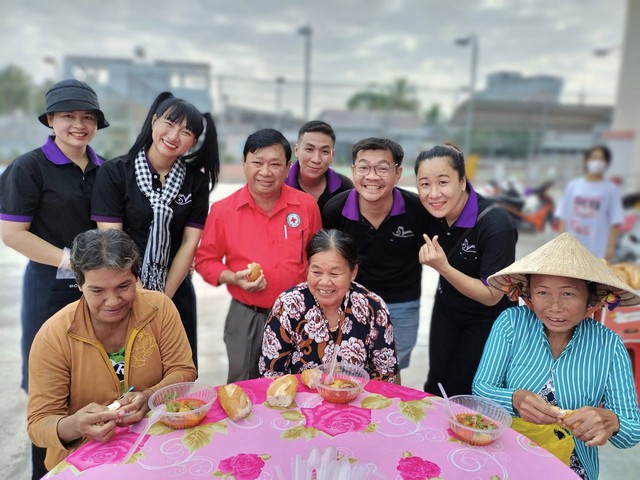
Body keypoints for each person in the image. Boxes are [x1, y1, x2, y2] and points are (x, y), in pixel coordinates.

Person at [0, 78, 108, 480]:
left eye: (87, 117)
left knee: (98, 386)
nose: (78, 125)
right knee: (52, 393)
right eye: (68, 116)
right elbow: (12, 234)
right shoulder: (29, 167)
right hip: (49, 289)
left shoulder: (103, 169)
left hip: (99, 295)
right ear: (50, 119)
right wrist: (73, 263)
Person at [27, 229, 197, 474]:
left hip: (156, 447)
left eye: (124, 286)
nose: (113, 300)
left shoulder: (159, 309)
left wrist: (149, 397)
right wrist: (76, 425)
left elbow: (183, 370)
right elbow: (39, 424)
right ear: (80, 285)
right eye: (97, 291)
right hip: (84, 461)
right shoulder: (54, 336)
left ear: (136, 278)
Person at [473, 232, 640, 480]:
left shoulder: (609, 345)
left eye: (568, 294)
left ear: (590, 300)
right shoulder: (511, 323)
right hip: (505, 456)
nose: (554, 307)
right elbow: (480, 390)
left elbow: (632, 431)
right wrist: (514, 399)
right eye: (542, 293)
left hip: (570, 469)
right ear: (528, 296)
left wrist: (612, 422)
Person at [91, 92, 220, 368]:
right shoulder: (115, 173)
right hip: (122, 290)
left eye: (186, 131)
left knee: (177, 373)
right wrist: (138, 295)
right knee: (128, 375)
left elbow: (189, 243)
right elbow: (113, 240)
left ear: (193, 142)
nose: (174, 135)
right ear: (153, 122)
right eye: (169, 124)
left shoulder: (195, 183)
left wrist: (161, 300)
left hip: (174, 292)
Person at [195, 128, 322, 382]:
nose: (265, 172)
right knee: (245, 387)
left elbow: (318, 258)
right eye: (257, 163)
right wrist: (233, 278)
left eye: (275, 164)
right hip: (247, 316)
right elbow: (205, 261)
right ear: (244, 164)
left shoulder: (306, 205)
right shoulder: (223, 211)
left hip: (301, 314)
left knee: (303, 383)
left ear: (288, 168)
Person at [414, 144, 517, 396]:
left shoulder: (495, 225)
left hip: (486, 319)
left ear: (462, 181)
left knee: (467, 390)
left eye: (443, 182)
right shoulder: (431, 212)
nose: (434, 193)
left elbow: (492, 295)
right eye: (425, 184)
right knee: (436, 385)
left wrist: (442, 267)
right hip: (447, 309)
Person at [323, 138, 428, 375]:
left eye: (382, 168)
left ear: (398, 173)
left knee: (390, 371)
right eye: (363, 167)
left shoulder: (417, 209)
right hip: (351, 302)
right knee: (348, 372)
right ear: (353, 171)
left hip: (402, 304)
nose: (372, 176)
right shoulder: (334, 209)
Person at [260, 229, 398, 382]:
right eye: (317, 272)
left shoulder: (373, 308)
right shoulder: (288, 305)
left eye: (334, 274)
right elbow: (271, 373)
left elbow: (386, 373)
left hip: (358, 400)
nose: (324, 282)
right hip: (300, 401)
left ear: (353, 272)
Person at [555, 145, 624, 261]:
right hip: (572, 248)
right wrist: (560, 243)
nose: (597, 162)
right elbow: (563, 215)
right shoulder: (573, 186)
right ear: (587, 161)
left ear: (606, 163)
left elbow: (615, 222)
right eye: (593, 158)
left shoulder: (611, 189)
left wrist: (610, 249)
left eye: (601, 159)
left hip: (597, 250)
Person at [285, 120, 354, 211]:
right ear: (297, 150)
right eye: (309, 149)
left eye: (324, 151)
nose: (316, 159)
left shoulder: (344, 187)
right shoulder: (281, 183)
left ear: (332, 155)